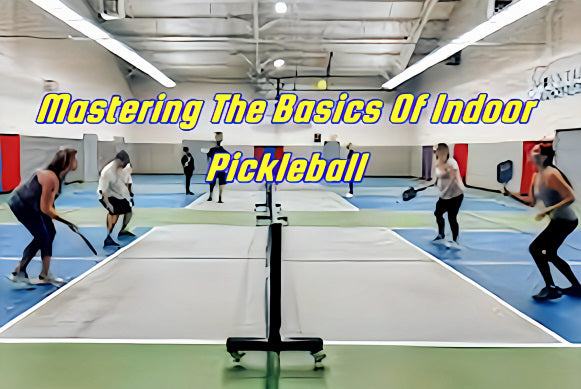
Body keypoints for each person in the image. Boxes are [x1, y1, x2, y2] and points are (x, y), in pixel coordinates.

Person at [505, 143, 581, 300]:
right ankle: (576, 287)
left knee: (536, 249)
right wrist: (510, 194)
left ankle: (551, 288)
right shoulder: (536, 176)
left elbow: (570, 197)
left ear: (543, 157)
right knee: (550, 253)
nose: (531, 153)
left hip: (566, 220)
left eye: (535, 151)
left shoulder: (552, 174)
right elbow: (531, 201)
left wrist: (548, 209)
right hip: (557, 220)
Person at [8, 148, 79, 286]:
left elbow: (48, 205)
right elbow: (45, 208)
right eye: (74, 159)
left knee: (50, 232)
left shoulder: (58, 177)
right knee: (42, 237)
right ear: (66, 163)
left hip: (34, 206)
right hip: (22, 205)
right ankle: (19, 271)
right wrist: (65, 221)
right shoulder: (51, 178)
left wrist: (55, 217)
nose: (76, 162)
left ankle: (45, 273)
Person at [98, 150, 135, 247]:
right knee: (114, 213)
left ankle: (122, 230)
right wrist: (108, 204)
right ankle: (108, 237)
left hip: (118, 194)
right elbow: (103, 190)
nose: (125, 165)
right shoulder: (107, 172)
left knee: (128, 212)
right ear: (120, 161)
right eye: (125, 163)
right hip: (106, 195)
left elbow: (127, 182)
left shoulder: (123, 168)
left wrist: (129, 195)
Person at [432, 143, 465, 248]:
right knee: (438, 213)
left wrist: (445, 192)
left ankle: (455, 240)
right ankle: (441, 234)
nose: (435, 152)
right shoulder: (439, 162)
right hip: (445, 196)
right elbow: (440, 176)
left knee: (452, 217)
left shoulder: (452, 162)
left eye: (437, 150)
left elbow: (452, 179)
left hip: (456, 195)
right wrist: (436, 182)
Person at [206, 132, 229, 203]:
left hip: (214, 169)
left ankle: (210, 196)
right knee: (221, 183)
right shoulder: (225, 152)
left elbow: (208, 159)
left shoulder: (212, 150)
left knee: (212, 183)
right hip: (222, 170)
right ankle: (220, 198)